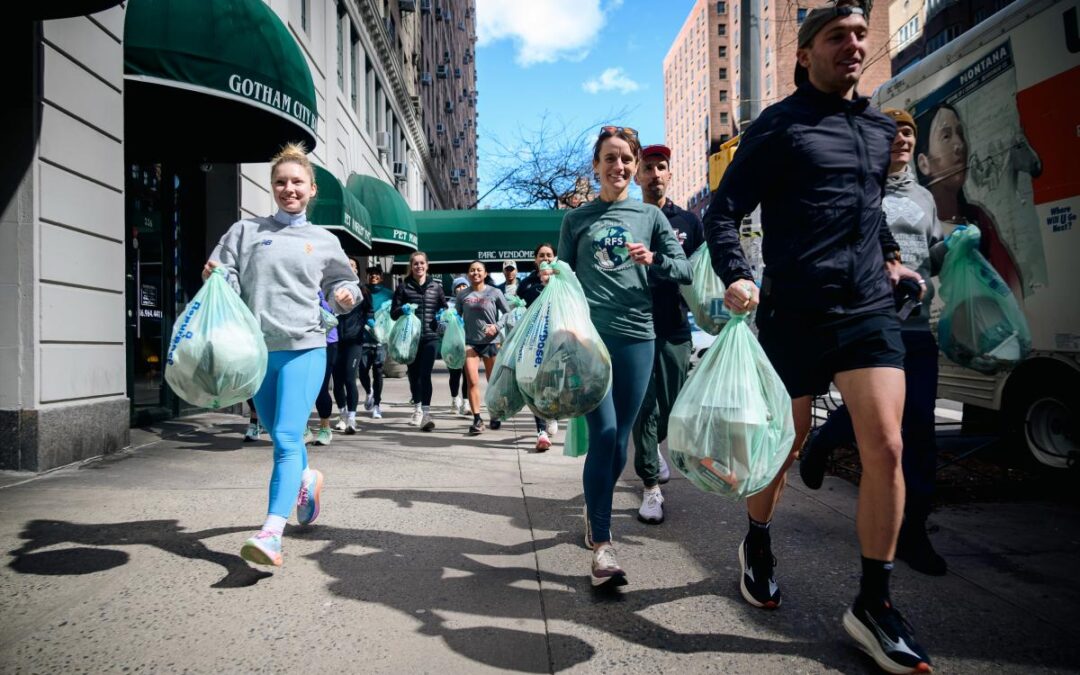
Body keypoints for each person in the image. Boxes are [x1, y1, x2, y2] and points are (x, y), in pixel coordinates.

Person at [702, 2, 933, 671]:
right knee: (786, 441)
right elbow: (725, 211)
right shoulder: (777, 127)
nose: (854, 45)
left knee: (887, 443)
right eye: (838, 37)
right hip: (794, 311)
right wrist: (738, 274)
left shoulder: (876, 130)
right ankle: (758, 539)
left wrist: (892, 257)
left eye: (862, 34)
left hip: (866, 306)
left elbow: (866, 207)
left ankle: (873, 602)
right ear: (805, 54)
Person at [801, 109, 949, 577]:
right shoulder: (859, 187)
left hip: (915, 324)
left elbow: (932, 257)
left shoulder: (925, 197)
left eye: (908, 132)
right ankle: (826, 439)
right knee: (884, 425)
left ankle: (912, 529)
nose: (901, 139)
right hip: (867, 322)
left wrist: (959, 246)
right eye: (893, 133)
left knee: (918, 430)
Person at [203, 142, 360, 567]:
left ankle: (272, 531)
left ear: (311, 190)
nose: (288, 188)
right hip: (256, 352)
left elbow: (346, 287)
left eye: (297, 182)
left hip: (305, 347)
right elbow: (225, 275)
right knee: (278, 435)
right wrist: (216, 275)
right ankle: (307, 478)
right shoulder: (244, 232)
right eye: (280, 182)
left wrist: (344, 294)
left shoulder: (323, 240)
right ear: (273, 187)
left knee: (288, 437)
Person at [558, 125, 691, 587]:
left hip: (639, 338)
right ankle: (603, 544)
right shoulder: (576, 220)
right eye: (610, 158)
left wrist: (653, 259)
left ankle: (594, 510)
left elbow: (685, 268)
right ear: (595, 165)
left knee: (620, 443)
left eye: (626, 160)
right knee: (607, 431)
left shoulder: (651, 217)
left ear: (635, 169)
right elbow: (563, 279)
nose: (619, 167)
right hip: (591, 342)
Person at [630, 143, 703, 525]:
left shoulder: (689, 222)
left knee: (671, 407)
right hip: (636, 328)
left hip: (676, 328)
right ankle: (650, 489)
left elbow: (704, 273)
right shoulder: (628, 219)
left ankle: (651, 450)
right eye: (648, 167)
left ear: (670, 174)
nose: (655, 174)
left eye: (661, 167)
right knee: (645, 409)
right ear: (637, 175)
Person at [914, 102, 1022, 298]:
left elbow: (1011, 285)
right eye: (946, 136)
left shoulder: (977, 219)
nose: (960, 146)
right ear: (924, 163)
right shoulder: (918, 224)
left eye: (961, 134)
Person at [391, 251, 447, 431]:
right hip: (410, 339)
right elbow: (393, 313)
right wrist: (403, 309)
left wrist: (443, 318)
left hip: (430, 337)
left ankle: (426, 412)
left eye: (422, 263)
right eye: (415, 263)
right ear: (411, 266)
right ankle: (417, 408)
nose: (419, 266)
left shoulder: (436, 287)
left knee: (425, 375)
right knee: (414, 376)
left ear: (427, 266)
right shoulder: (403, 287)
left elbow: (445, 310)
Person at [457, 260, 510, 435]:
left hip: (491, 342)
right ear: (468, 273)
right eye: (472, 270)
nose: (475, 273)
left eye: (479, 270)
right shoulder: (463, 294)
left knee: (492, 382)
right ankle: (477, 419)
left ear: (485, 274)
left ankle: (494, 414)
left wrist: (497, 326)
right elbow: (456, 317)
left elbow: (508, 313)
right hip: (470, 342)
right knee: (472, 381)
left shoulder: (494, 292)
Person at [517, 243, 560, 451]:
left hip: (559, 339)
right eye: (541, 255)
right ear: (535, 259)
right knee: (535, 384)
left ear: (555, 258)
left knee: (555, 383)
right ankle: (541, 431)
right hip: (533, 341)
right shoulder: (526, 284)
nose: (545, 258)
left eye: (549, 255)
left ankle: (552, 413)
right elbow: (517, 311)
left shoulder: (563, 279)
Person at [333, 258, 371, 434]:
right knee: (337, 381)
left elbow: (369, 311)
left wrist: (370, 324)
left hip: (354, 340)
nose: (350, 268)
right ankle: (342, 414)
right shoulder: (333, 289)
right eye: (347, 264)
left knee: (350, 377)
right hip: (334, 340)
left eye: (353, 266)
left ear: (357, 270)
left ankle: (352, 418)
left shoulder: (363, 290)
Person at [359, 266, 393, 419]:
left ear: (381, 277)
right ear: (367, 277)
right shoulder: (362, 291)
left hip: (380, 340)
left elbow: (394, 313)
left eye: (377, 274)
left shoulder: (388, 294)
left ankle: (377, 405)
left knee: (378, 371)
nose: (373, 276)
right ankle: (369, 392)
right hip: (363, 338)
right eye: (371, 274)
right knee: (362, 371)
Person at [445, 277, 471, 417]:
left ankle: (466, 401)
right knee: (454, 374)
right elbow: (442, 324)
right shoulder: (448, 305)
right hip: (453, 345)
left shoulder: (470, 302)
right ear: (454, 290)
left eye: (463, 285)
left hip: (467, 343)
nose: (461, 288)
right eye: (458, 286)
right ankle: (455, 399)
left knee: (467, 374)